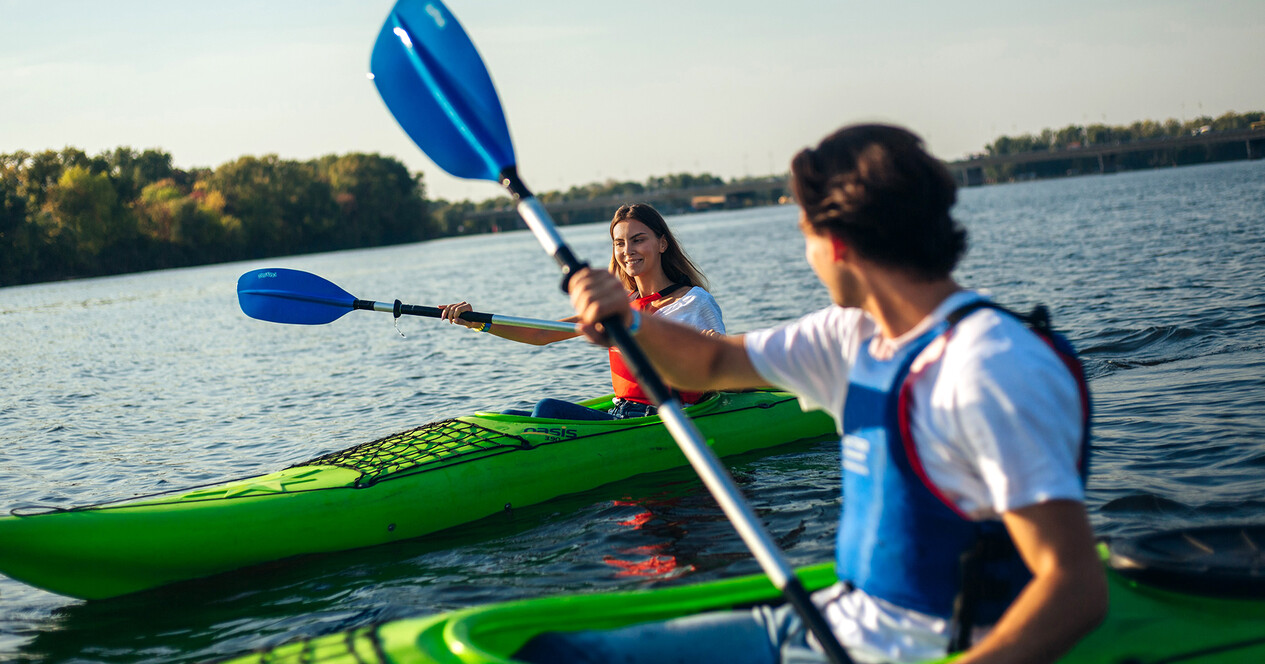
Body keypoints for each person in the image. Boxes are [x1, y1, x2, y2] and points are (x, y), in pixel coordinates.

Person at [524, 124, 1107, 663]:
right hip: (831, 621)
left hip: (916, 648)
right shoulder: (851, 333)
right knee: (551, 654)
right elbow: (712, 359)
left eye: (806, 235)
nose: (808, 254)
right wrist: (627, 317)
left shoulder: (989, 366)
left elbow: (1073, 589)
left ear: (840, 243)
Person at [440, 202, 725, 420]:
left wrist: (711, 353)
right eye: (619, 243)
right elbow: (541, 333)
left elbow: (720, 381)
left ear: (662, 243)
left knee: (546, 409)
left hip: (666, 418)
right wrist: (476, 322)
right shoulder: (618, 306)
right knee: (510, 418)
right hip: (622, 414)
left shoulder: (694, 301)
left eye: (638, 240)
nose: (628, 251)